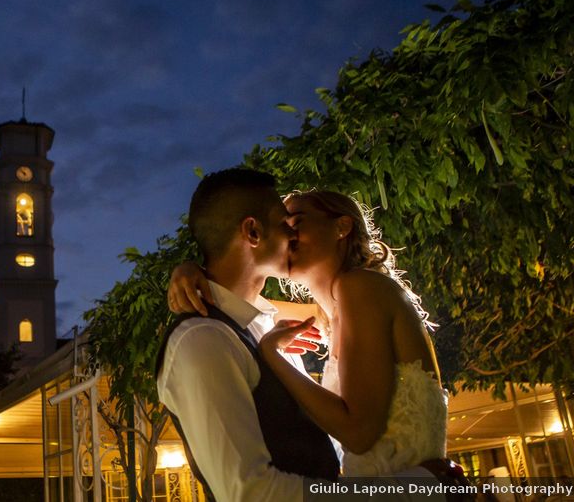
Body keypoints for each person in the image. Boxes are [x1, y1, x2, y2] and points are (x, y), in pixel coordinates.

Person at [168, 189, 457, 482]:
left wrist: (273, 356)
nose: (287, 237)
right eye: (284, 227)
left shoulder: (360, 288)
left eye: (297, 224)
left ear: (341, 227)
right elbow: (233, 301)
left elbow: (358, 433)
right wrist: (191, 271)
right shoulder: (329, 313)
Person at [155, 169, 339, 502]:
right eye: (285, 223)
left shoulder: (265, 324)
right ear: (252, 231)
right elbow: (252, 494)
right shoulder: (202, 340)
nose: (293, 235)